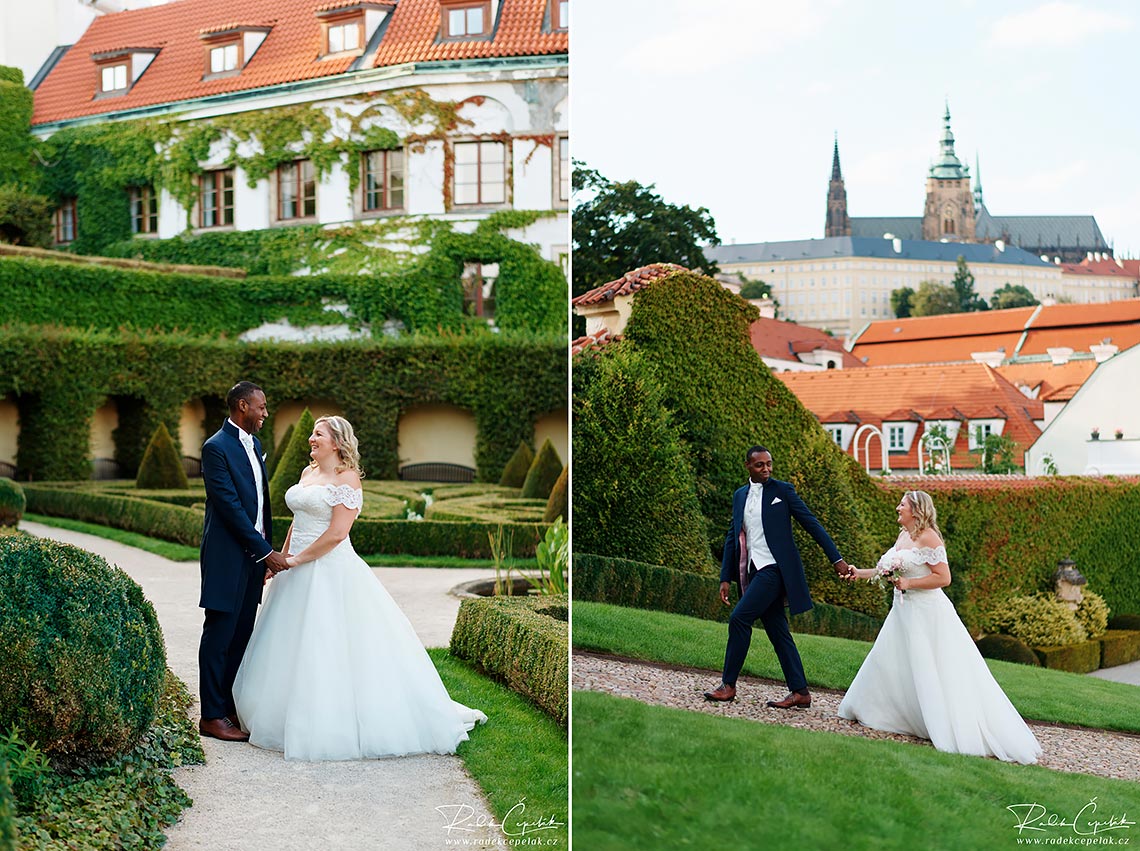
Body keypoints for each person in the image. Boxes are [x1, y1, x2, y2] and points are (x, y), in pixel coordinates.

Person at [232, 415, 486, 760]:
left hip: (329, 570)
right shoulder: (307, 474)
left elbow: (337, 534)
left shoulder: (347, 478)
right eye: (312, 433)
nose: (310, 438)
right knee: (288, 641)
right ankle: (281, 714)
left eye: (317, 434)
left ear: (336, 442)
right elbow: (298, 521)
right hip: (295, 570)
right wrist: (280, 560)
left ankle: (328, 721)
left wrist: (296, 560)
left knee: (329, 644)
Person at [837, 491, 1042, 764]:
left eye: (902, 504)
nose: (898, 508)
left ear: (916, 510)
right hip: (902, 612)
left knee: (932, 666)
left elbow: (943, 577)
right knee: (894, 663)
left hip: (927, 613)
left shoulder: (929, 537)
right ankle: (895, 712)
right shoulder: (903, 536)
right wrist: (857, 572)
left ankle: (944, 721)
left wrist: (909, 584)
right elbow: (885, 570)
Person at [705, 446, 852, 707]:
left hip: (774, 570)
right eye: (760, 465)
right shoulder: (740, 496)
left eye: (769, 464)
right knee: (778, 631)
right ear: (748, 466)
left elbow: (811, 523)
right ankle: (800, 692)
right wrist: (725, 577)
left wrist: (837, 559)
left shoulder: (782, 491)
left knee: (740, 618)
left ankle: (728, 685)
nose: (766, 469)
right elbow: (732, 537)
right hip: (752, 571)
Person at [198, 381, 290, 742]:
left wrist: (263, 553)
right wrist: (267, 552)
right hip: (225, 556)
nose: (266, 412)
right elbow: (230, 509)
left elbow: (261, 508)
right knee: (219, 633)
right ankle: (211, 716)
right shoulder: (215, 449)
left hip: (253, 557)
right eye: (261, 407)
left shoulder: (256, 444)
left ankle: (229, 706)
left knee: (241, 636)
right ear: (242, 406)